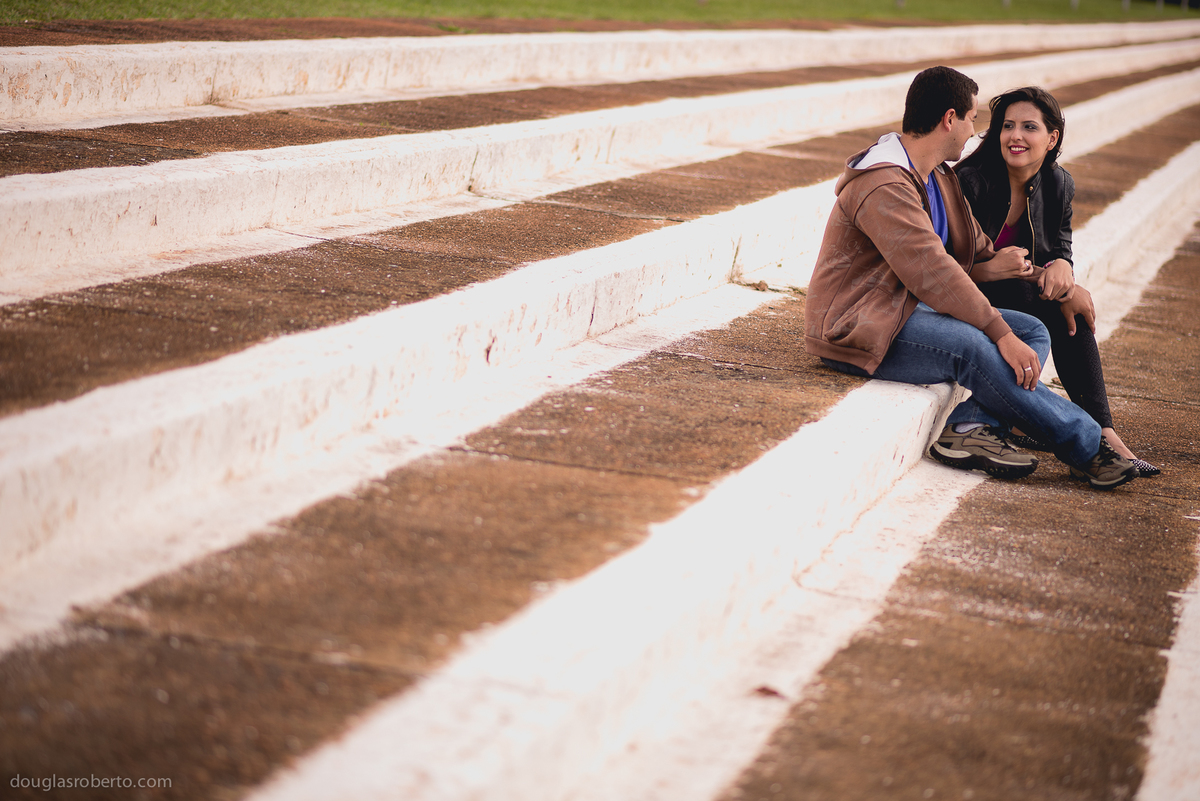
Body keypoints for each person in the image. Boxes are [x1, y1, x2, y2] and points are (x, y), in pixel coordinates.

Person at [804, 65, 1137, 490]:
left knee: (1033, 330)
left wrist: (1053, 276)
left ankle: (968, 429)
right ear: (949, 119)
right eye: (972, 119)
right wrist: (998, 332)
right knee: (976, 346)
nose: (974, 132)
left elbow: (982, 250)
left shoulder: (938, 176)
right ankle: (1090, 447)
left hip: (906, 312)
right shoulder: (884, 184)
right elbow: (933, 271)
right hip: (860, 326)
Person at [954, 86, 1158, 476]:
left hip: (1019, 291)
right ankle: (1091, 440)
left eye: (1029, 127)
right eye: (1008, 126)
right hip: (970, 298)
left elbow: (1057, 246)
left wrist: (1064, 266)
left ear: (1052, 138)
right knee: (1053, 300)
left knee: (1073, 305)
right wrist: (994, 270)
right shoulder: (970, 182)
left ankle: (1104, 432)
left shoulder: (1058, 184)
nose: (1015, 136)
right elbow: (946, 266)